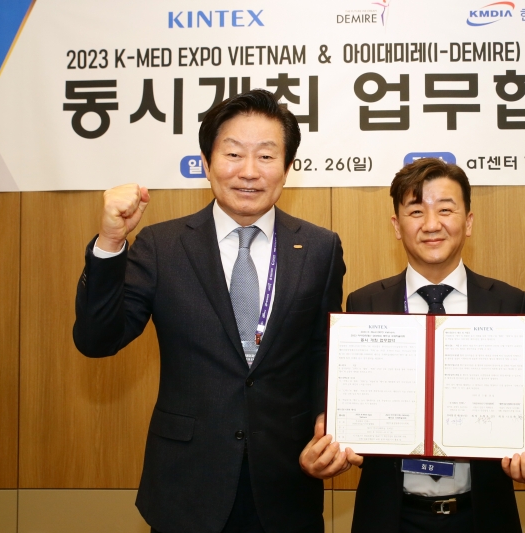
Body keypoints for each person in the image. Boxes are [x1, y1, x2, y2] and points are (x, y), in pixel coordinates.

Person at [73, 89, 349, 533]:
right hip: (186, 483)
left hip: (286, 481)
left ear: (287, 168)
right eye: (233, 154)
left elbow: (324, 351)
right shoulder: (162, 246)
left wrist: (328, 420)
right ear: (206, 162)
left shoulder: (320, 248)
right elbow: (97, 340)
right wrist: (110, 243)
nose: (248, 171)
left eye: (266, 156)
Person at [337, 158, 525, 533]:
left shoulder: (507, 303)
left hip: (481, 514)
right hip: (390, 516)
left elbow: (523, 399)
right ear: (397, 225)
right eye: (416, 211)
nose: (432, 224)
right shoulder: (365, 304)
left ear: (468, 222)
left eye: (446, 210)